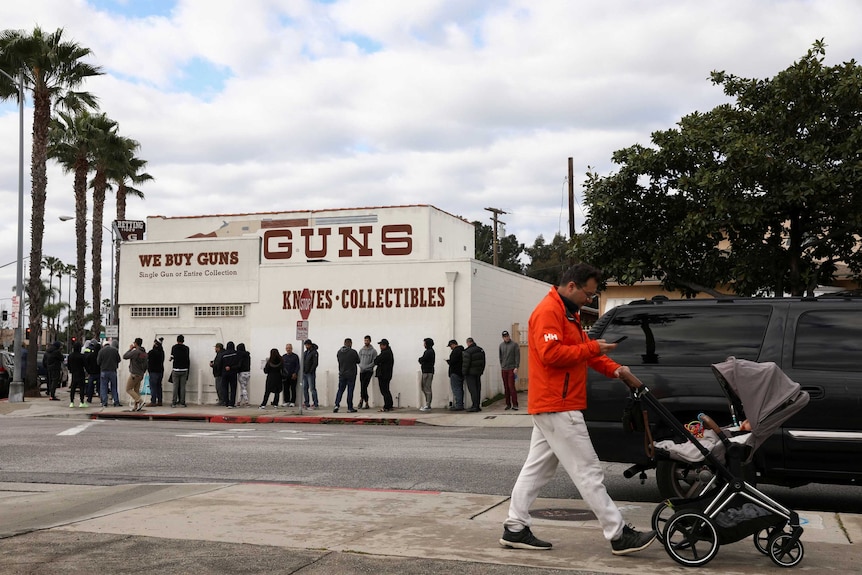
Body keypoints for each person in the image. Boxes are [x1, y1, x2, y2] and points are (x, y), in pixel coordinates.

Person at [500, 263, 657, 556]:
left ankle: (515, 527)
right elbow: (552, 355)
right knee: (588, 472)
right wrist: (594, 350)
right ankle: (618, 533)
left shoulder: (567, 313)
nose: (590, 300)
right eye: (588, 293)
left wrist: (618, 370)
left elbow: (587, 351)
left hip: (553, 404)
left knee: (537, 470)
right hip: (558, 405)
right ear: (571, 286)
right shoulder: (549, 312)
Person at [334, 337, 360, 413]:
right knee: (350, 390)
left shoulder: (339, 352)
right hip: (351, 374)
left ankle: (336, 405)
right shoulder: (353, 352)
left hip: (342, 373)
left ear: (344, 343)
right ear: (350, 343)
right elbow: (358, 361)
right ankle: (349, 407)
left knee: (340, 390)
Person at [122, 337, 148, 412]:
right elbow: (146, 365)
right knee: (136, 391)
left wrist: (130, 349)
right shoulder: (144, 353)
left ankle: (140, 400)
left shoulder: (135, 352)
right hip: (140, 374)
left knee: (128, 389)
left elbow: (125, 356)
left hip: (134, 374)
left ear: (135, 343)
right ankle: (135, 407)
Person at [462, 337, 485, 412]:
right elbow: (483, 362)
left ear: (468, 343)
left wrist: (464, 373)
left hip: (470, 373)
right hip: (478, 373)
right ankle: (477, 406)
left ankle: (474, 406)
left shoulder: (467, 351)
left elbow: (466, 364)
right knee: (478, 389)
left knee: (473, 390)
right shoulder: (480, 350)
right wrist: (481, 371)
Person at [499, 330, 520, 411]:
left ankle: (515, 404)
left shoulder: (514, 345)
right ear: (503, 337)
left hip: (511, 368)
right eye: (504, 337)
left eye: (507, 336)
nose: (506, 338)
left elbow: (517, 356)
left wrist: (516, 366)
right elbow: (500, 357)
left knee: (511, 386)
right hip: (504, 368)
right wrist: (502, 365)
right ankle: (508, 404)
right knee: (506, 387)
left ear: (509, 336)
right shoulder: (501, 345)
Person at [97, 340, 122, 407]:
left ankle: (104, 402)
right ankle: (116, 402)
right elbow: (119, 360)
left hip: (104, 371)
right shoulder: (114, 350)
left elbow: (98, 362)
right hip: (113, 371)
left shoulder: (101, 351)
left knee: (103, 387)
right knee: (114, 387)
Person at [373, 338, 394, 412]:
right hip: (386, 374)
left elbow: (376, 360)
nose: (380, 346)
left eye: (381, 345)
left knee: (384, 391)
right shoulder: (388, 352)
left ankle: (387, 406)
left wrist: (378, 361)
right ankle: (390, 405)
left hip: (383, 374)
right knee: (386, 390)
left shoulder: (385, 353)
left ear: (385, 345)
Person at [357, 335, 377, 409]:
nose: (366, 342)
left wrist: (368, 366)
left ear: (370, 341)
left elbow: (374, 361)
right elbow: (358, 360)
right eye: (365, 340)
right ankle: (365, 402)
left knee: (365, 385)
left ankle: (362, 400)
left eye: (367, 340)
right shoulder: (361, 350)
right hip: (362, 370)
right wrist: (361, 366)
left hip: (369, 370)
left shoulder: (373, 351)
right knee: (362, 386)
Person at [170, 334, 190, 408]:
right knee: (182, 387)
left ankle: (174, 403)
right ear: (183, 340)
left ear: (177, 340)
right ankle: (182, 403)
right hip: (184, 369)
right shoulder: (186, 348)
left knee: (175, 386)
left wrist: (171, 359)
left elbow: (172, 357)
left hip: (176, 369)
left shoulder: (174, 347)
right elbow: (187, 358)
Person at [446, 339, 465, 411]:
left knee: (456, 389)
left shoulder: (455, 351)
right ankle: (460, 404)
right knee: (460, 389)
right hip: (461, 372)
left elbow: (453, 362)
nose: (450, 347)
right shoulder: (462, 350)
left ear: (453, 344)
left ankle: (459, 405)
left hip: (455, 372)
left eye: (450, 346)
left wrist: (448, 361)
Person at [66, 341, 87, 408]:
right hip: (81, 373)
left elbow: (68, 365)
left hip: (74, 373)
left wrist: (71, 370)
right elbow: (85, 365)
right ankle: (82, 402)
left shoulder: (70, 356)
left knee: (73, 388)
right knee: (82, 388)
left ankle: (72, 402)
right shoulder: (82, 356)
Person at [418, 337, 435, 411]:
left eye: (424, 343)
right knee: (424, 387)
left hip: (427, 372)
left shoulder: (429, 352)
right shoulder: (430, 351)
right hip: (427, 371)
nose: (423, 345)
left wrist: (420, 359)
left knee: (426, 388)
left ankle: (428, 405)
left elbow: (422, 359)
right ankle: (427, 404)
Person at [302, 339, 319, 409]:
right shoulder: (305, 352)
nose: (306, 346)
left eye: (307, 345)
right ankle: (306, 402)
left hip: (310, 373)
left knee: (312, 388)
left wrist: (310, 370)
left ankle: (315, 403)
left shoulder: (314, 352)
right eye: (306, 345)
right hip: (304, 373)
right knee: (304, 388)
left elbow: (315, 363)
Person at [148, 337, 165, 407]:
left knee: (153, 387)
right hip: (160, 371)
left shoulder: (152, 352)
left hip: (153, 371)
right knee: (159, 386)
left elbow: (147, 358)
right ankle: (160, 401)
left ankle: (153, 401)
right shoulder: (162, 352)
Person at [221, 341, 239, 408]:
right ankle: (232, 403)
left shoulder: (223, 354)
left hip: (224, 373)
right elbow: (238, 364)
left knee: (225, 388)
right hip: (233, 373)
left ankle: (226, 402)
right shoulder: (236, 354)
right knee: (233, 388)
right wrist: (231, 367)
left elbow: (220, 363)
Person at [83, 340, 100, 405]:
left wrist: (88, 370)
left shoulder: (90, 355)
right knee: (100, 387)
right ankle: (102, 399)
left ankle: (89, 398)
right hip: (99, 373)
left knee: (90, 387)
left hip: (92, 373)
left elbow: (86, 362)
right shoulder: (99, 355)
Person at [236, 343, 251, 407]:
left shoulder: (239, 356)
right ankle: (239, 401)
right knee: (243, 387)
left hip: (241, 373)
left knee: (243, 388)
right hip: (248, 372)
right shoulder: (248, 355)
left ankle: (246, 401)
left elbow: (239, 365)